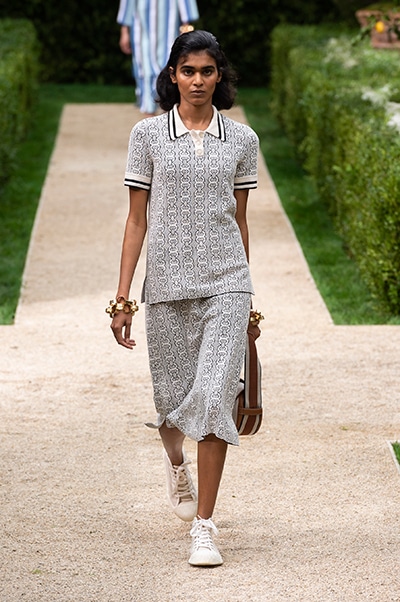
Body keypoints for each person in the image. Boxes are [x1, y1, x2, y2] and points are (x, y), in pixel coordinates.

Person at [108, 30, 260, 567]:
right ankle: (176, 464)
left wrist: (249, 301)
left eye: (207, 71)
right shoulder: (148, 135)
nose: (197, 81)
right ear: (173, 75)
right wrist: (122, 299)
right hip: (167, 286)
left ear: (220, 77)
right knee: (172, 405)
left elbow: (240, 221)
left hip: (227, 283)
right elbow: (136, 220)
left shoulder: (242, 140)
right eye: (188, 71)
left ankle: (205, 527)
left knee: (215, 398)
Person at [117, 0, 199, 116]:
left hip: (170, 29)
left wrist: (186, 28)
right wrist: (125, 31)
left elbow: (185, 5)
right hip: (142, 29)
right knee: (145, 69)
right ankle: (149, 113)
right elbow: (128, 3)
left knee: (170, 68)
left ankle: (168, 113)